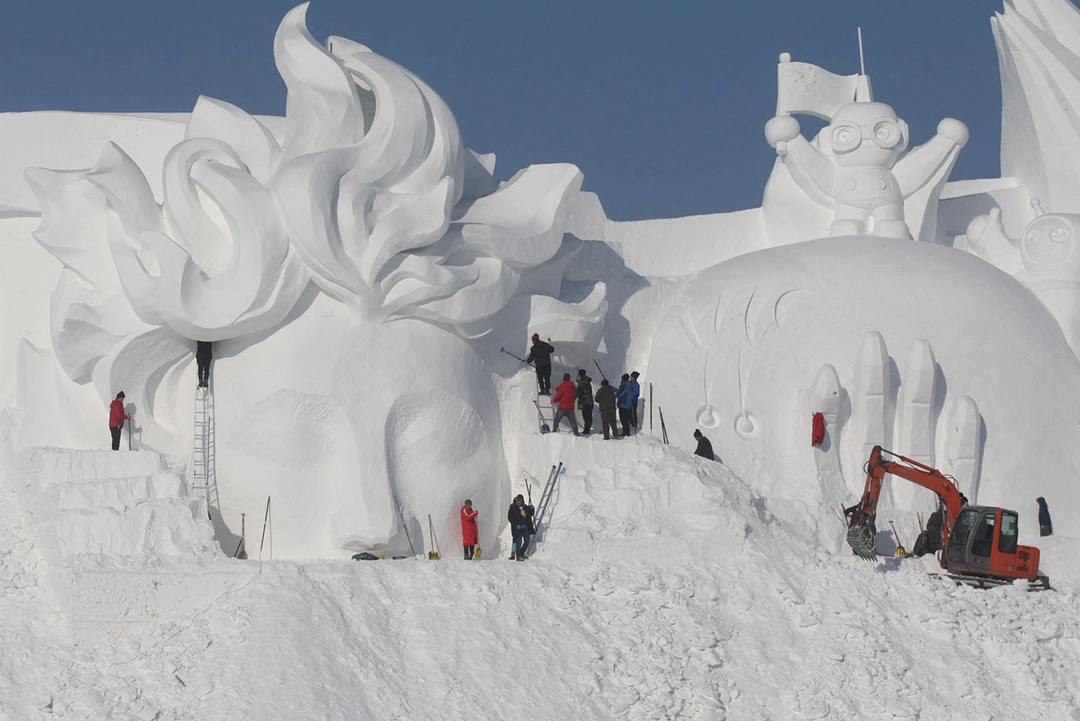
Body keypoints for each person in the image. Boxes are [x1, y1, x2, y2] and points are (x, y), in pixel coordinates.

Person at [507, 494, 535, 561]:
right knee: (518, 541)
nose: (518, 502)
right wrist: (516, 525)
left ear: (522, 501)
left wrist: (532, 509)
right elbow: (510, 518)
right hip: (517, 528)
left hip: (525, 527)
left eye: (519, 501)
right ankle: (518, 556)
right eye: (517, 501)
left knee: (527, 540)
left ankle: (522, 553)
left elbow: (530, 514)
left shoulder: (525, 508)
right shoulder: (512, 508)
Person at [575, 369, 594, 435]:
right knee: (589, 416)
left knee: (586, 417)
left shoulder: (582, 382)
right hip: (589, 401)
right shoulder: (587, 381)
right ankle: (587, 429)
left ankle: (586, 430)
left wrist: (573, 397)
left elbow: (579, 391)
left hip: (584, 401)